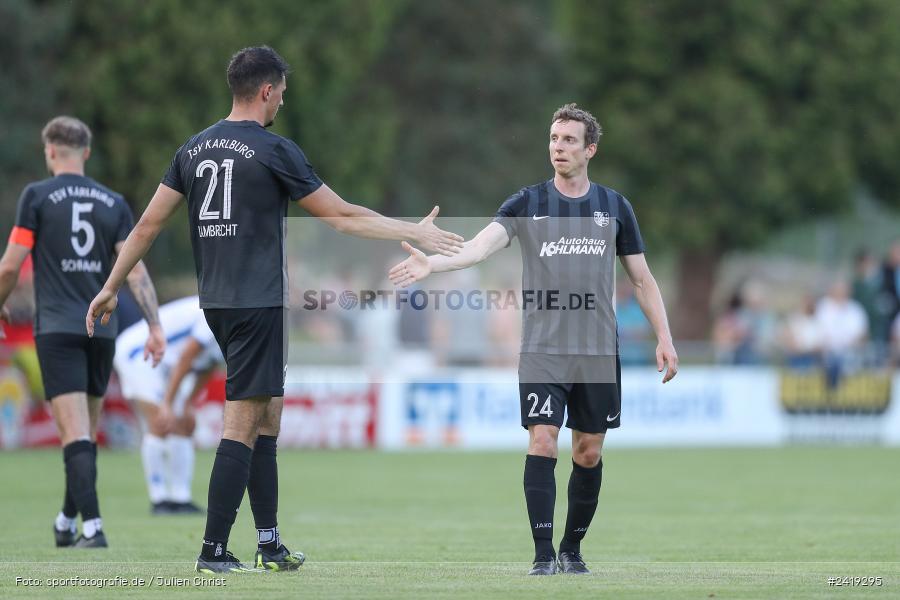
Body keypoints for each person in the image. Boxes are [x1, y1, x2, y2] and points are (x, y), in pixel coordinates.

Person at [86, 46, 463, 573]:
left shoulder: (192, 150)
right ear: (267, 91)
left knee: (267, 418)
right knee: (241, 422)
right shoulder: (272, 150)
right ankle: (212, 551)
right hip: (257, 302)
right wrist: (413, 230)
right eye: (281, 95)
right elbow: (341, 216)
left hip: (216, 301)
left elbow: (146, 226)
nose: (281, 103)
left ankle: (268, 543)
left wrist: (110, 285)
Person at [389, 104, 678, 575]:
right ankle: (543, 556)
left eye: (568, 140)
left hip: (598, 353)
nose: (558, 147)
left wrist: (664, 336)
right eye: (553, 138)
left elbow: (642, 281)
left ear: (590, 149)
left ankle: (572, 549)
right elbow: (480, 247)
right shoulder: (526, 203)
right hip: (543, 351)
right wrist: (433, 264)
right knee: (542, 441)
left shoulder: (615, 207)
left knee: (588, 451)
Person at [0, 116, 164, 549]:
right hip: (101, 331)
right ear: (86, 153)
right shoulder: (113, 203)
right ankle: (65, 519)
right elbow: (136, 270)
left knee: (74, 436)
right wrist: (154, 324)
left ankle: (92, 527)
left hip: (56, 328)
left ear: (50, 151)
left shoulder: (36, 197)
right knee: (85, 436)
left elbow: (10, 266)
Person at [114, 296, 223, 515]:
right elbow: (185, 358)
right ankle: (159, 499)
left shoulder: (235, 323)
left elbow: (209, 365)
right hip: (139, 352)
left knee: (184, 423)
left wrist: (188, 404)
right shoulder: (215, 311)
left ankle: (180, 499)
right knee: (161, 422)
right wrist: (167, 403)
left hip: (166, 362)